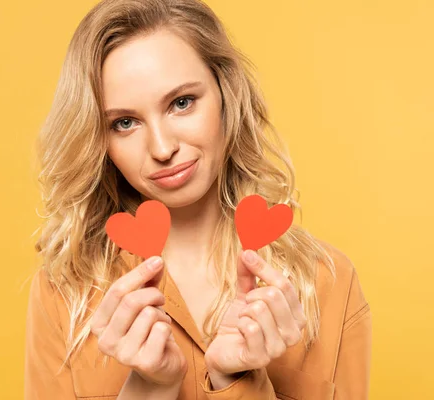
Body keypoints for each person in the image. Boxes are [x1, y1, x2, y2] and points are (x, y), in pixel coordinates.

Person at [24, 0, 372, 398]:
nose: (161, 147)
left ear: (227, 94)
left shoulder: (328, 282)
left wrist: (237, 380)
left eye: (182, 102)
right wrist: (149, 388)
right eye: (124, 123)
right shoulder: (63, 293)